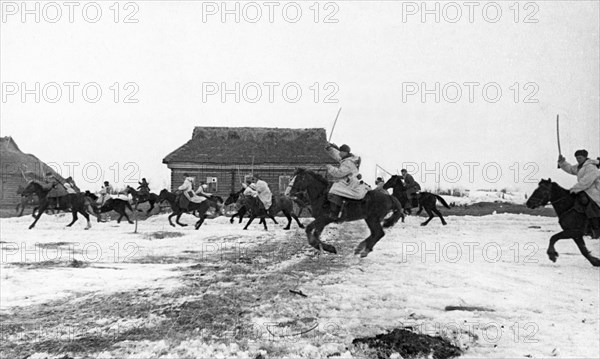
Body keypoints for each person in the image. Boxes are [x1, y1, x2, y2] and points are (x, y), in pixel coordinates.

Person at [558, 149, 600, 238]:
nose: (578, 159)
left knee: (589, 206)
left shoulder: (591, 167)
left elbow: (586, 181)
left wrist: (573, 189)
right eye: (577, 158)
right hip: (585, 190)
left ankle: (595, 229)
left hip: (594, 192)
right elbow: (570, 169)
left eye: (580, 157)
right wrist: (562, 162)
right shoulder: (581, 166)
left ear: (585, 157)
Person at [324, 143, 368, 220]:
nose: (339, 153)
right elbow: (337, 155)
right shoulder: (348, 158)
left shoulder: (348, 162)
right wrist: (330, 149)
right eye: (340, 151)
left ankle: (337, 212)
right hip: (348, 180)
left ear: (345, 152)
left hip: (350, 183)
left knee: (333, 190)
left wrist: (330, 167)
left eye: (341, 152)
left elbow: (339, 173)